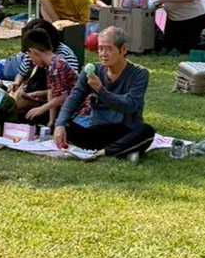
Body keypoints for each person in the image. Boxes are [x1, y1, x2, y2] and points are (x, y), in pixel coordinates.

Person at [54, 27, 155, 161]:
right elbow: (74, 99)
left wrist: (101, 90)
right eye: (100, 48)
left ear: (123, 50)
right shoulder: (92, 71)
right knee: (61, 120)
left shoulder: (139, 74)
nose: (103, 54)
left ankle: (103, 153)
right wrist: (59, 125)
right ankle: (123, 151)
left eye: (109, 49)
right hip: (97, 130)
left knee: (146, 131)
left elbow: (129, 106)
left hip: (124, 130)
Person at [10, 27, 78, 129]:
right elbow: (51, 93)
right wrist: (51, 121)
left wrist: (42, 108)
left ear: (33, 51)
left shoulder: (58, 65)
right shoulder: (51, 65)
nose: (32, 61)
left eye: (29, 55)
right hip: (64, 108)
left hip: (76, 111)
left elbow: (64, 96)